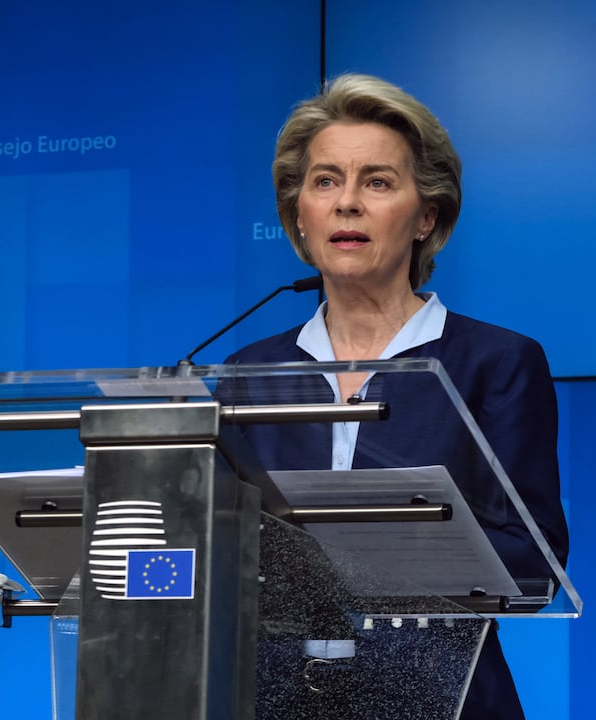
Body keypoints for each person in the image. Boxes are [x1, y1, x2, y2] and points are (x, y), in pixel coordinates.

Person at [225, 74, 570, 719]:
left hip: (446, 696)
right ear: (299, 215)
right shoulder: (251, 372)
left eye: (377, 182)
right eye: (325, 181)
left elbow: (534, 565)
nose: (347, 203)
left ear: (426, 216)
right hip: (274, 699)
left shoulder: (495, 363)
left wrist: (353, 555)